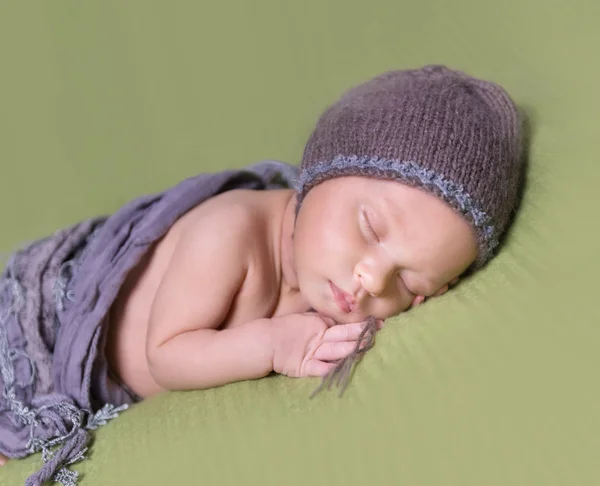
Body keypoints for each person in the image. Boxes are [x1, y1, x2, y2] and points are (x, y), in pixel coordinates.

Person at [0, 65, 523, 475]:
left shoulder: (342, 287)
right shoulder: (229, 233)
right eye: (369, 228)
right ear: (319, 174)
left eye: (411, 282)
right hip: (37, 329)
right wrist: (274, 345)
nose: (373, 280)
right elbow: (167, 357)